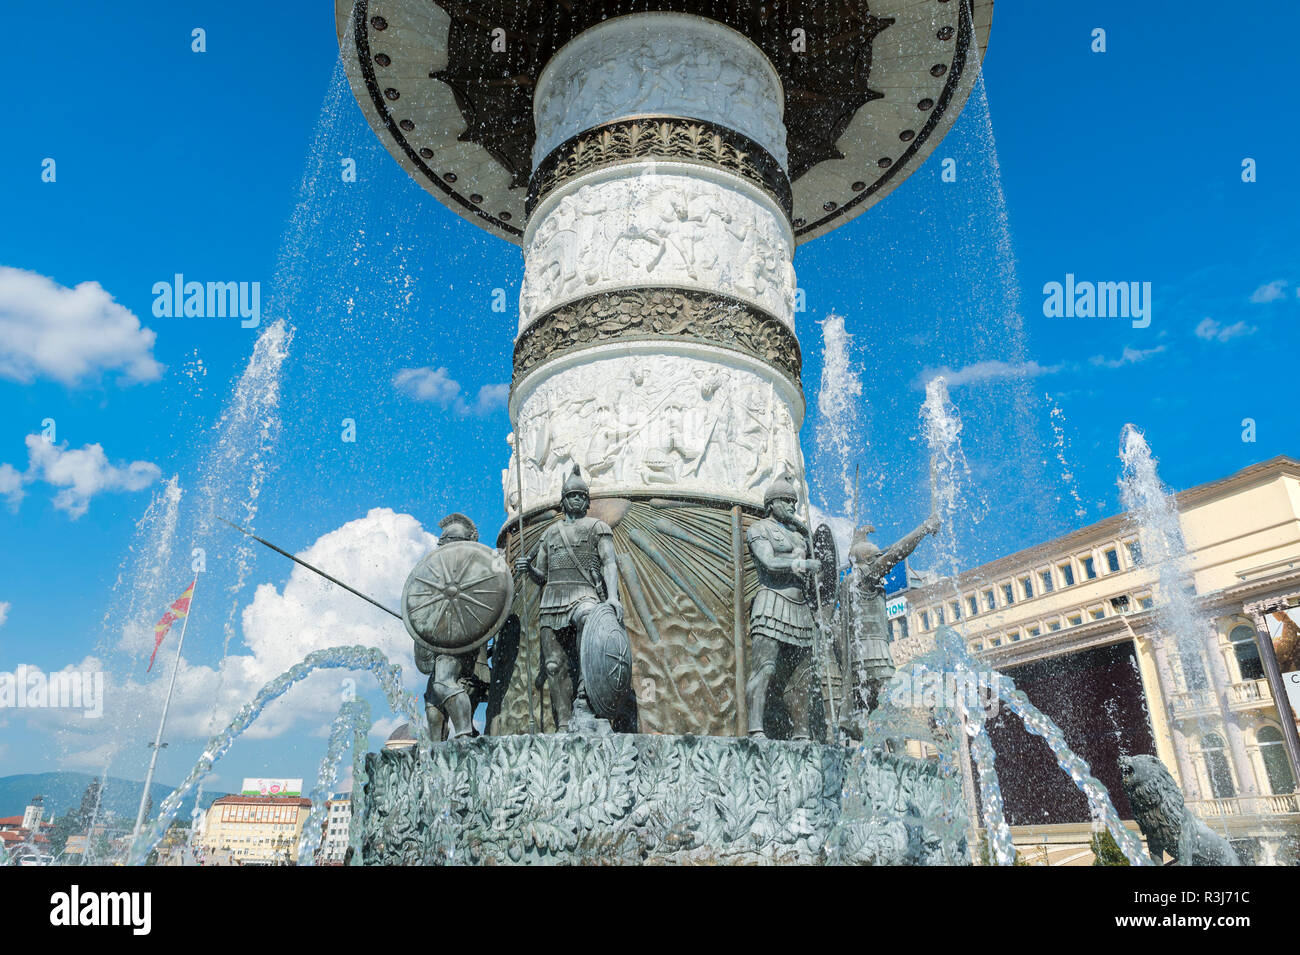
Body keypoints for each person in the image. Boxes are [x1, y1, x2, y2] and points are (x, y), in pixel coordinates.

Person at [515, 465, 623, 729]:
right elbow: (542, 575)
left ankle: (585, 700)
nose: (576, 499)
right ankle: (563, 722)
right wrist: (528, 569)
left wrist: (613, 597)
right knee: (553, 665)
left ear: (586, 502)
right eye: (571, 495)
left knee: (589, 623)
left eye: (580, 496)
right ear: (563, 502)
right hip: (552, 599)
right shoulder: (550, 533)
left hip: (584, 594)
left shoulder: (598, 527)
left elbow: (609, 562)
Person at [746, 474, 821, 740]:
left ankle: (802, 733)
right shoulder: (759, 529)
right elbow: (768, 562)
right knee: (764, 668)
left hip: (800, 609)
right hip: (771, 604)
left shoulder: (801, 536)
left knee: (801, 677)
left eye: (794, 502)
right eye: (787, 501)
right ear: (772, 503)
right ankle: (755, 728)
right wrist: (801, 564)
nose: (792, 506)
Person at [417, 513, 492, 740]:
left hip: (458, 641)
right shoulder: (437, 574)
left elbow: (485, 607)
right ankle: (438, 753)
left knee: (444, 683)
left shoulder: (477, 572)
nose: (442, 546)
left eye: (447, 542)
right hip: (438, 641)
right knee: (433, 704)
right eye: (442, 542)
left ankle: (464, 738)